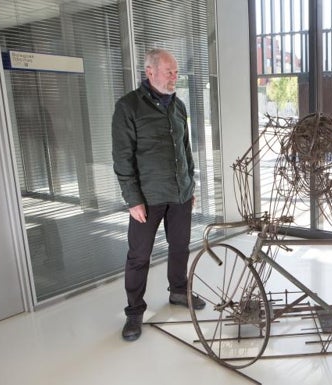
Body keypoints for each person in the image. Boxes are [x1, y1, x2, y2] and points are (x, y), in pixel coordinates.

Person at [112, 48, 205, 342]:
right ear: (150, 72)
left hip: (180, 194)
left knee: (180, 247)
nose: (175, 77)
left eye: (176, 72)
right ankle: (135, 312)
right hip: (147, 199)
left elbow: (185, 149)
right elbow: (122, 158)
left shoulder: (178, 106)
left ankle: (179, 292)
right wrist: (132, 199)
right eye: (169, 72)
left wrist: (190, 185)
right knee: (139, 256)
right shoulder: (128, 107)